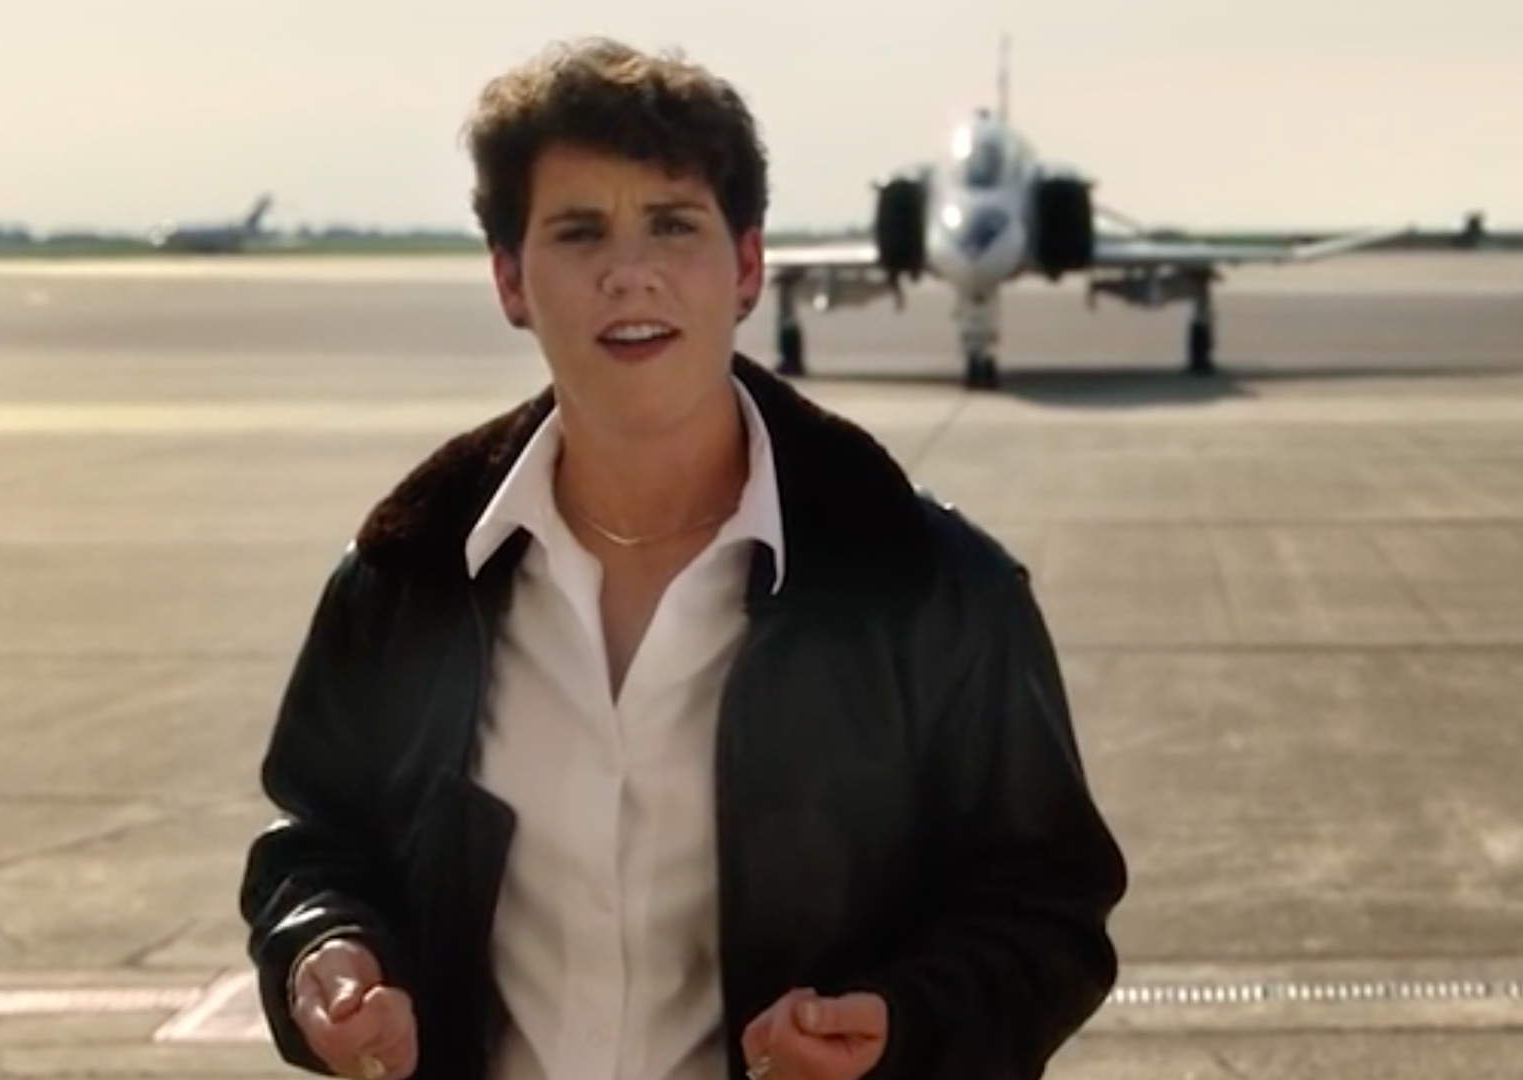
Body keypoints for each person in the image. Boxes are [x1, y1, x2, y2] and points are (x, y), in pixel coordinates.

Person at [237, 35, 1128, 1080]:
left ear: (745, 266)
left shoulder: (937, 594)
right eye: (578, 232)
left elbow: (1050, 916)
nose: (631, 272)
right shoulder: (405, 580)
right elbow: (316, 840)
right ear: (511, 281)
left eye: (673, 225)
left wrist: (902, 1028)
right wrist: (324, 951)